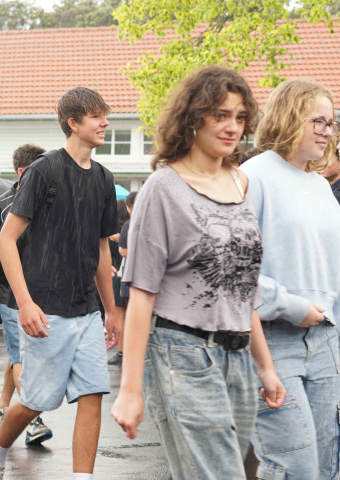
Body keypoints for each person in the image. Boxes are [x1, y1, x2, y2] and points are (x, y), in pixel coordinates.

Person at [110, 65, 286, 480]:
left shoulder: (240, 182)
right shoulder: (163, 188)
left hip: (239, 359)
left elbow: (242, 289)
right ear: (192, 117)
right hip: (183, 357)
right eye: (220, 115)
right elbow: (141, 293)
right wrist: (130, 389)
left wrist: (265, 366)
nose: (232, 127)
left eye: (240, 118)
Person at [0, 86, 119, 480]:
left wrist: (111, 311)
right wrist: (24, 302)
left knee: (93, 394)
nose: (105, 122)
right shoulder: (45, 170)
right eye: (96, 116)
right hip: (45, 308)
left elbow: (102, 250)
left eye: (104, 115)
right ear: (73, 123)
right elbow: (6, 241)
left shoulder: (105, 179)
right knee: (37, 402)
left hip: (87, 309)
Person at [240, 79, 340, 479]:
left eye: (331, 123)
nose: (327, 131)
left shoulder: (320, 187)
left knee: (323, 466)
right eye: (318, 120)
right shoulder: (252, 176)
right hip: (271, 340)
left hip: (326, 342)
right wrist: (291, 305)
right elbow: (232, 271)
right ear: (288, 115)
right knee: (294, 466)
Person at [0, 143, 53, 445]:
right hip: (7, 291)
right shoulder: (0, 207)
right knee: (20, 353)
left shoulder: (49, 205)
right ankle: (33, 421)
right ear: (23, 173)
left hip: (39, 291)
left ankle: (3, 408)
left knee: (17, 352)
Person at [107, 198, 129, 366]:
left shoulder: (111, 232)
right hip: (132, 278)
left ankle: (122, 353)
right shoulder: (131, 228)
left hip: (116, 277)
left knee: (120, 316)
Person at [118, 191, 138, 300]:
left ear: (129, 206)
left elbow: (123, 251)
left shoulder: (129, 224)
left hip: (131, 275)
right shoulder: (155, 223)